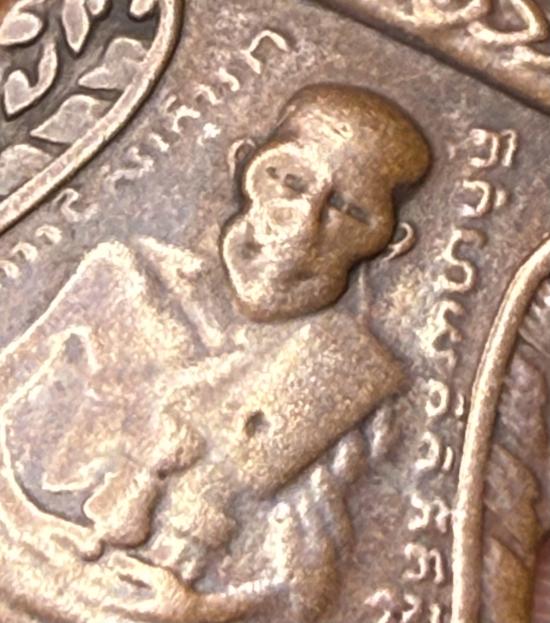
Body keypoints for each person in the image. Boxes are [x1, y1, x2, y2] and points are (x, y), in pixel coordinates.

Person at [0, 83, 430, 622]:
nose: (303, 225)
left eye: (348, 211)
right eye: (289, 182)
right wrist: (24, 529)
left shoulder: (341, 376)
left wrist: (200, 610)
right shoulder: (124, 278)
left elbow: (304, 588)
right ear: (243, 164)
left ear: (392, 242)